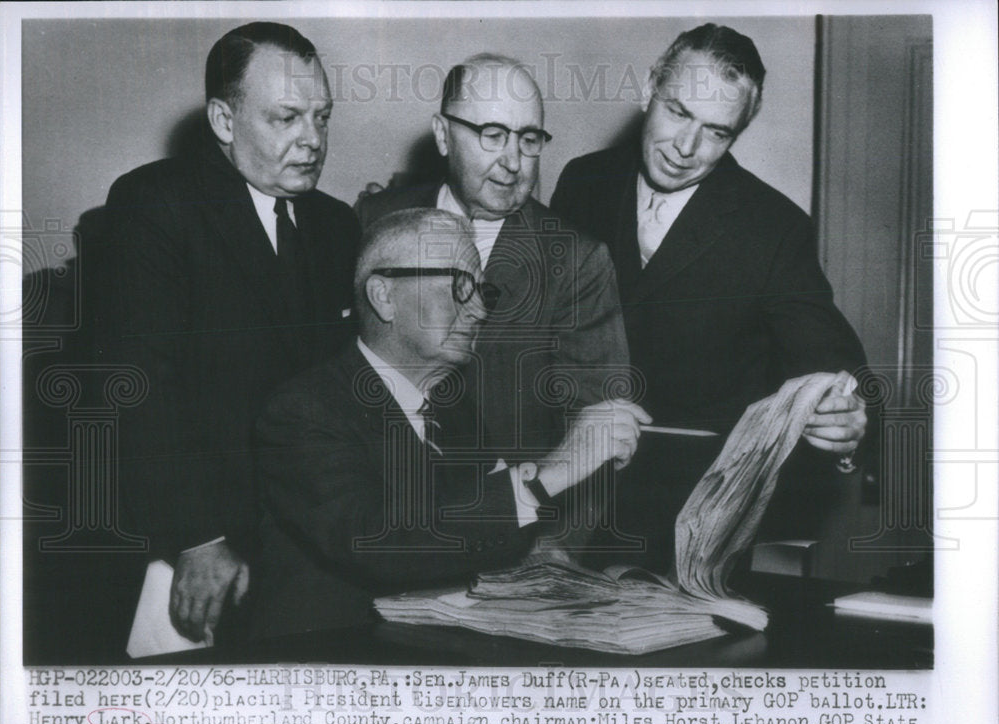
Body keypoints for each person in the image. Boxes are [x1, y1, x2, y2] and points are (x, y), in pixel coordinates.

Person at [550, 24, 868, 566]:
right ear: (651, 85)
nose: (686, 147)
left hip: (690, 529)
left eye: (717, 132)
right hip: (564, 504)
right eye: (677, 111)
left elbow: (834, 367)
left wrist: (849, 415)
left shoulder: (774, 228)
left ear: (738, 131)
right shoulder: (582, 181)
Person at [251, 209, 649, 640]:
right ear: (384, 296)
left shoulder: (451, 403)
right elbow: (378, 542)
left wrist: (543, 554)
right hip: (328, 661)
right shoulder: (302, 410)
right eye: (459, 287)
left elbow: (476, 526)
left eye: (482, 290)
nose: (479, 310)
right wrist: (552, 473)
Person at [96, 22, 360, 649]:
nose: (312, 140)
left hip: (307, 543)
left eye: (322, 117)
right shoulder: (152, 205)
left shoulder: (336, 223)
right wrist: (197, 536)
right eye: (287, 118)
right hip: (194, 543)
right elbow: (139, 389)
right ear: (222, 119)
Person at [356, 54, 630, 459]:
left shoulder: (578, 261)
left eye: (529, 139)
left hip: (511, 512)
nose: (513, 162)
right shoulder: (374, 219)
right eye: (493, 134)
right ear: (443, 135)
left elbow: (597, 438)